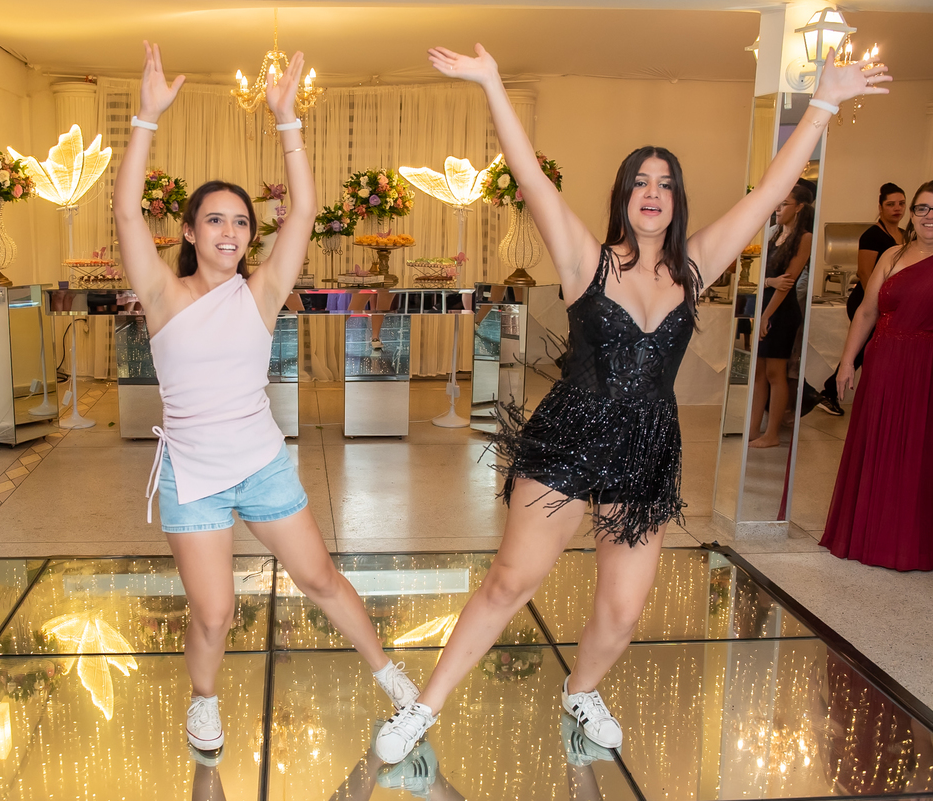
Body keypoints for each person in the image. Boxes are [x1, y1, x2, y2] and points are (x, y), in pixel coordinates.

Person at [373, 43, 889, 762]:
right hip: (571, 433)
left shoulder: (695, 266)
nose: (653, 192)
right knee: (510, 581)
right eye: (640, 181)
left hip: (647, 444)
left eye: (666, 183)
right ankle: (423, 708)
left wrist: (824, 102)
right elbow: (529, 176)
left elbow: (771, 191)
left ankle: (581, 689)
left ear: (677, 201)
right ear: (623, 196)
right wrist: (491, 81)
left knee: (621, 611)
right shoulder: (586, 258)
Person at [113, 42, 417, 754]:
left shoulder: (261, 293)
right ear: (190, 231)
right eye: (215, 220)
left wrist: (288, 120)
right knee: (215, 614)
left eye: (241, 222)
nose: (230, 232)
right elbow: (125, 212)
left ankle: (393, 677)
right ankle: (204, 701)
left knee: (320, 577)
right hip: (192, 474)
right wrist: (146, 118)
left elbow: (304, 209)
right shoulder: (162, 294)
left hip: (260, 463)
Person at [820, 182, 933, 571]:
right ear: (912, 214)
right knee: (876, 442)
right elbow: (868, 311)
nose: (929, 216)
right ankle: (867, 533)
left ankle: (908, 542)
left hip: (925, 366)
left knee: (917, 449)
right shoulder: (891, 254)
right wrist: (847, 361)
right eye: (922, 208)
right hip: (883, 362)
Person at [815, 182, 907, 415]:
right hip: (868, 301)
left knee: (868, 350)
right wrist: (877, 305)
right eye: (891, 204)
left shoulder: (905, 235)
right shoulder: (872, 235)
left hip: (891, 304)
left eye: (901, 204)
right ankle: (833, 393)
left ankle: (834, 393)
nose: (897, 208)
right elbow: (865, 273)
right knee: (865, 349)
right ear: (880, 207)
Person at [747, 184, 814, 448]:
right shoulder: (774, 234)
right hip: (766, 304)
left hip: (782, 311)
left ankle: (772, 433)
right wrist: (768, 283)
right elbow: (766, 277)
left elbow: (787, 283)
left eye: (784, 204)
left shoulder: (804, 238)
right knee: (758, 372)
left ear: (798, 207)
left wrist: (766, 315)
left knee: (776, 373)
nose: (778, 208)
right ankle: (753, 429)